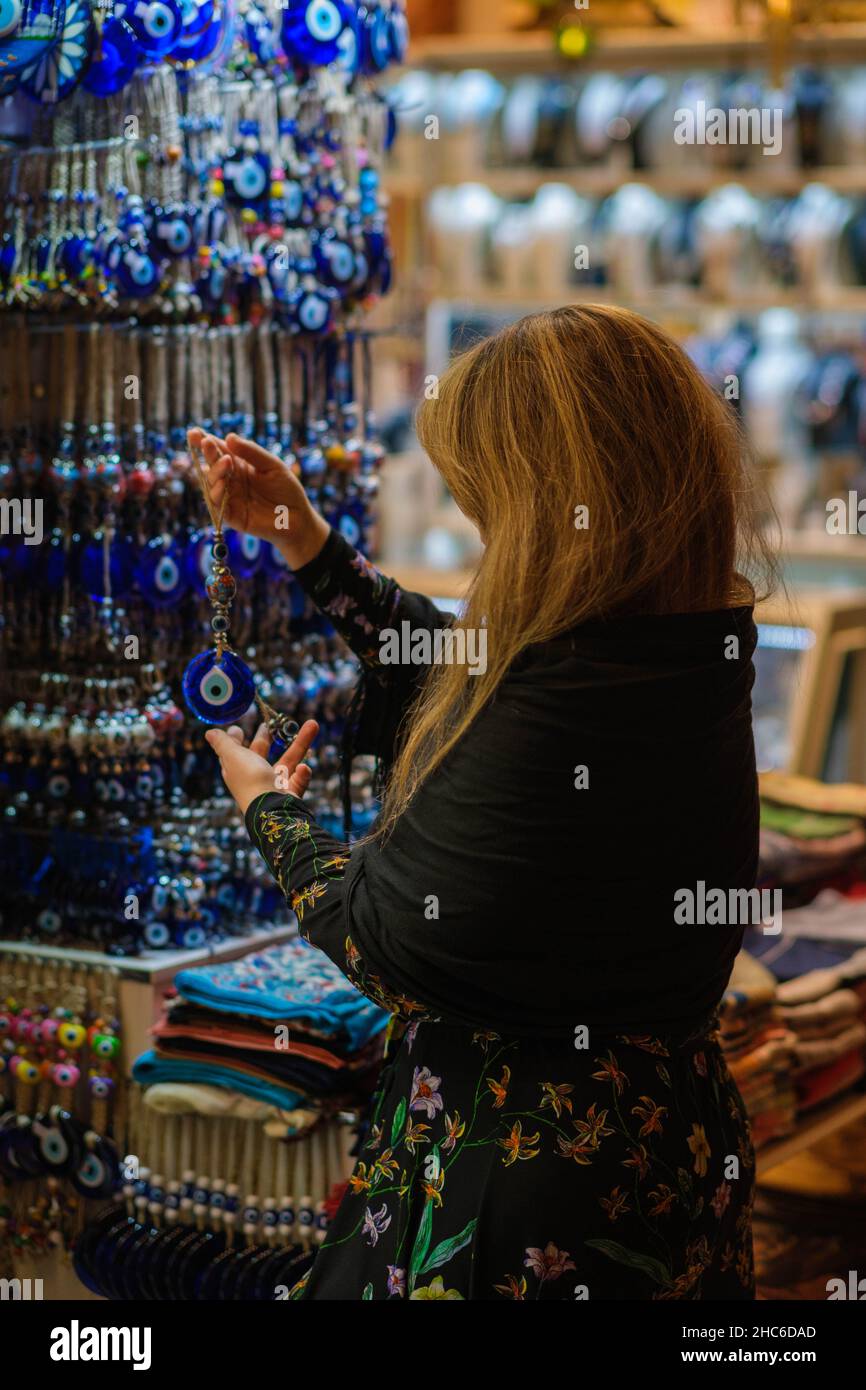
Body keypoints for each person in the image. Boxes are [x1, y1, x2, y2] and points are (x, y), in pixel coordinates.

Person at [189, 304, 774, 1301]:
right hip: (655, 1148)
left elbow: (386, 938)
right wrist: (304, 540)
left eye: (482, 501)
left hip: (538, 1187)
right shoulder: (667, 646)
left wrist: (270, 812)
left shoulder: (574, 693)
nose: (474, 523)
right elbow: (459, 670)